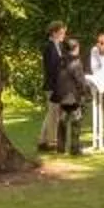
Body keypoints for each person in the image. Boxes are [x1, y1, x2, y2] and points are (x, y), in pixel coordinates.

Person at [38, 21, 85, 154]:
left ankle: (43, 140)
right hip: (52, 85)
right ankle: (51, 142)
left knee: (52, 113)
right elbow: (51, 69)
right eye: (61, 32)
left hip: (58, 85)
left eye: (64, 32)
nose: (64, 35)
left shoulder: (59, 46)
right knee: (54, 114)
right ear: (54, 33)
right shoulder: (49, 47)